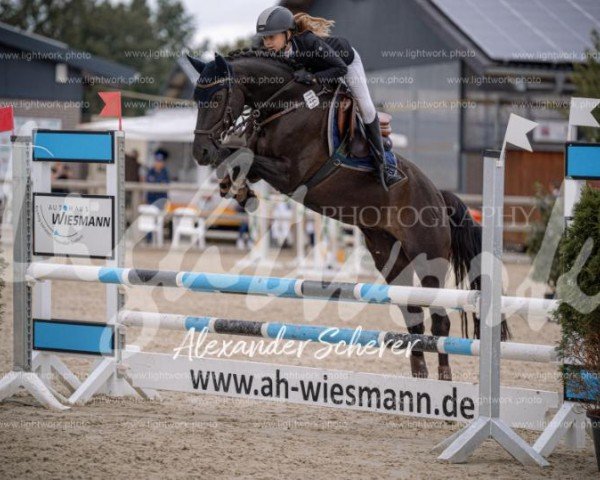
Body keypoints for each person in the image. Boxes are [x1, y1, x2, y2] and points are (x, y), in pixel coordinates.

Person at [256, 6, 405, 190]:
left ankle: (386, 165)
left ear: (287, 34)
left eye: (272, 37)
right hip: (323, 70)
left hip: (347, 63)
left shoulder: (309, 42)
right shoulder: (277, 57)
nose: (267, 43)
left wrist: (313, 78)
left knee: (366, 108)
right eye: (265, 38)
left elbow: (340, 69)